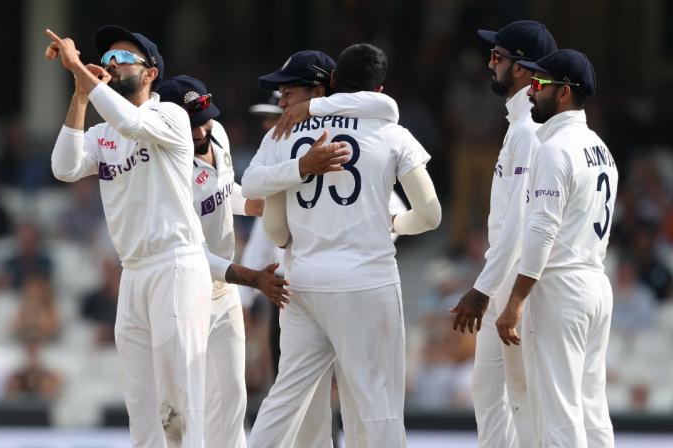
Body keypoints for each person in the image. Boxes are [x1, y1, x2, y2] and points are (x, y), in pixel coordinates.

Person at [246, 43, 441, 448]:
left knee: (285, 398)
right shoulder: (392, 133)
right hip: (367, 283)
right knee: (378, 404)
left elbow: (263, 208)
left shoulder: (285, 129)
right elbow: (430, 216)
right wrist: (394, 222)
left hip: (302, 281)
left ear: (333, 82)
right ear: (381, 88)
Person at [45, 25, 212, 448]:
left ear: (151, 73)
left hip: (175, 264)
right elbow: (64, 167)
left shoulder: (169, 115)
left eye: (123, 60)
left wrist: (81, 72)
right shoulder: (104, 133)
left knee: (180, 400)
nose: (111, 66)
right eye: (107, 60)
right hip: (133, 272)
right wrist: (81, 93)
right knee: (142, 406)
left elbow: (132, 123)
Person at [159, 75, 289, 448]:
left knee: (232, 397)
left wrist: (253, 204)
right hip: (182, 292)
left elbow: (223, 188)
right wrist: (251, 279)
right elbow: (190, 251)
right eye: (190, 122)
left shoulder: (217, 135)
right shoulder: (165, 168)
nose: (201, 130)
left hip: (223, 291)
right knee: (187, 404)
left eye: (205, 117)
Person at [496, 49, 616, 448]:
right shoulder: (600, 147)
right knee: (591, 406)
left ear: (563, 93)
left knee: (558, 409)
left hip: (562, 285)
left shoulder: (554, 149)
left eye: (540, 84)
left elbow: (542, 229)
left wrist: (514, 301)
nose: (531, 90)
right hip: (595, 282)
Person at [448, 20, 557, 448]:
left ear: (525, 69)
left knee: (521, 395)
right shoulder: (520, 124)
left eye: (498, 58)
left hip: (516, 285)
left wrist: (483, 290)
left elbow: (518, 222)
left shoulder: (529, 130)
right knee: (489, 391)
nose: (489, 65)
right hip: (505, 280)